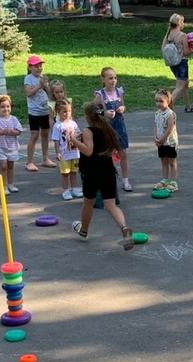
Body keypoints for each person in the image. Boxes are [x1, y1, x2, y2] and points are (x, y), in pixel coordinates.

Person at [70, 101, 134, 251]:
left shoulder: (88, 130)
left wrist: (74, 141)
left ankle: (84, 230)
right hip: (107, 170)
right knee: (110, 205)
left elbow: (88, 151)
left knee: (88, 202)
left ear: (88, 117)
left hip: (92, 172)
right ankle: (124, 228)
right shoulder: (107, 128)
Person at [94, 67, 133, 192]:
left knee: (123, 153)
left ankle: (125, 180)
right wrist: (104, 113)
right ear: (103, 79)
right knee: (107, 154)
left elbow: (123, 105)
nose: (113, 81)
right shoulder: (100, 95)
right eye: (110, 78)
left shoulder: (119, 92)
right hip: (107, 127)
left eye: (115, 78)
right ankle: (108, 180)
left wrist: (122, 108)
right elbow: (93, 110)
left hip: (120, 126)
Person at [162, 13, 193, 113]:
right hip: (182, 63)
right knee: (179, 87)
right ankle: (167, 106)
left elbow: (163, 48)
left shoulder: (168, 35)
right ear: (179, 23)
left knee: (185, 84)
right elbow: (186, 52)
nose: (183, 23)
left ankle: (188, 106)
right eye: (182, 21)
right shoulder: (182, 35)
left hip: (172, 63)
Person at [24, 55, 55, 172]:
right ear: (30, 67)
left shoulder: (42, 78)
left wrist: (46, 85)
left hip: (45, 111)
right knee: (34, 135)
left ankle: (45, 159)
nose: (39, 68)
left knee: (45, 134)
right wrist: (39, 86)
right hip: (34, 112)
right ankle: (29, 162)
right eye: (36, 66)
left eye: (40, 66)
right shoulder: (28, 78)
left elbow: (49, 94)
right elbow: (28, 93)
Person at [0, 94, 23, 195]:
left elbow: (19, 131)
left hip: (12, 147)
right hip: (1, 147)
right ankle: (2, 185)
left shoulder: (14, 119)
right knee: (3, 166)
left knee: (10, 166)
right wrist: (2, 132)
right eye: (2, 107)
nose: (5, 109)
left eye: (8, 106)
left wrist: (12, 131)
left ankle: (11, 184)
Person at [51, 100, 83, 201]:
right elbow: (56, 140)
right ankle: (65, 190)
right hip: (64, 153)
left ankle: (74, 189)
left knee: (74, 171)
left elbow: (78, 135)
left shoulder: (73, 123)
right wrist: (57, 152)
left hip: (74, 152)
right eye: (64, 111)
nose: (67, 113)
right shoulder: (57, 126)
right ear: (58, 112)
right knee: (65, 173)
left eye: (69, 111)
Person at [153, 89, 179, 192]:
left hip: (170, 142)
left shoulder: (170, 114)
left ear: (168, 101)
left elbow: (170, 128)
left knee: (172, 162)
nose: (158, 103)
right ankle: (164, 180)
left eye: (161, 101)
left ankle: (173, 182)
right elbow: (155, 125)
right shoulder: (157, 113)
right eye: (156, 101)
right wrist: (155, 137)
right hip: (160, 142)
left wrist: (162, 139)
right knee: (163, 161)